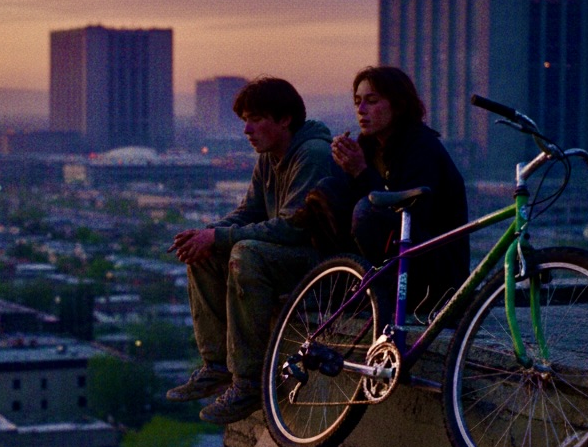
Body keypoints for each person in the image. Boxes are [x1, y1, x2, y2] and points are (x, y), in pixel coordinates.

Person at [166, 76, 338, 425]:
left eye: (255, 119)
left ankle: (248, 383)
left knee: (244, 253)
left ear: (284, 119)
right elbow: (250, 211)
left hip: (320, 263)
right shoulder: (270, 157)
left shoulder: (313, 154)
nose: (246, 130)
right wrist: (207, 234)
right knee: (205, 253)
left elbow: (293, 227)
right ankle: (217, 365)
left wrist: (219, 237)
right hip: (287, 257)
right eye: (245, 120)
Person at [294, 65, 469, 321]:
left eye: (372, 101)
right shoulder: (369, 144)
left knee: (367, 212)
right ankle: (342, 286)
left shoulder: (421, 148)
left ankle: (378, 294)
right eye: (357, 102)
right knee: (325, 192)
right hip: (391, 258)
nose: (361, 110)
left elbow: (411, 214)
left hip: (432, 272)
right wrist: (345, 169)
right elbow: (349, 201)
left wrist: (361, 172)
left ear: (398, 106)